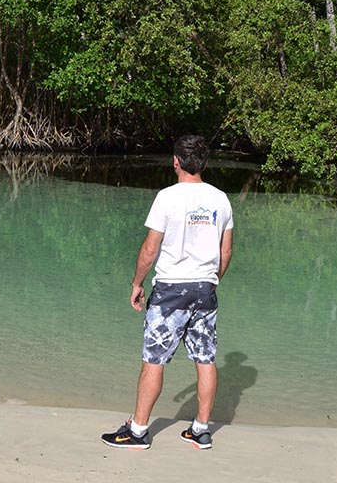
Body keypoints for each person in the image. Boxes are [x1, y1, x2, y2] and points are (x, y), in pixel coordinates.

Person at [101, 135, 234, 451]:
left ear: (176, 161)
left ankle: (138, 431)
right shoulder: (221, 199)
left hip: (171, 290)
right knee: (205, 360)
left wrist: (137, 283)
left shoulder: (167, 197)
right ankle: (201, 430)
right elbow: (226, 251)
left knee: (154, 361)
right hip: (205, 289)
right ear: (203, 163)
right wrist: (212, 280)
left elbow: (150, 248)